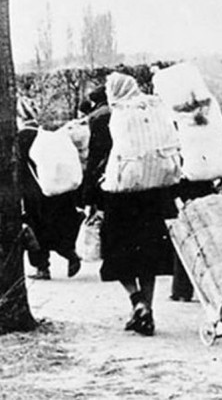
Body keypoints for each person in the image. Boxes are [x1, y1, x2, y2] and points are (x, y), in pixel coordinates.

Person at [83, 73, 177, 336]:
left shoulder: (107, 118)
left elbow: (96, 159)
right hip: (153, 193)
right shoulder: (153, 110)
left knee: (117, 252)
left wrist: (89, 197)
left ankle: (137, 302)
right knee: (148, 254)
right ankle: (148, 311)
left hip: (119, 196)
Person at [16, 97, 83, 280]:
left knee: (35, 230)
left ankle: (42, 268)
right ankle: (69, 253)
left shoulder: (21, 138)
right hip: (54, 188)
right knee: (56, 226)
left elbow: (19, 168)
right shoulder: (44, 135)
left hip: (35, 192)